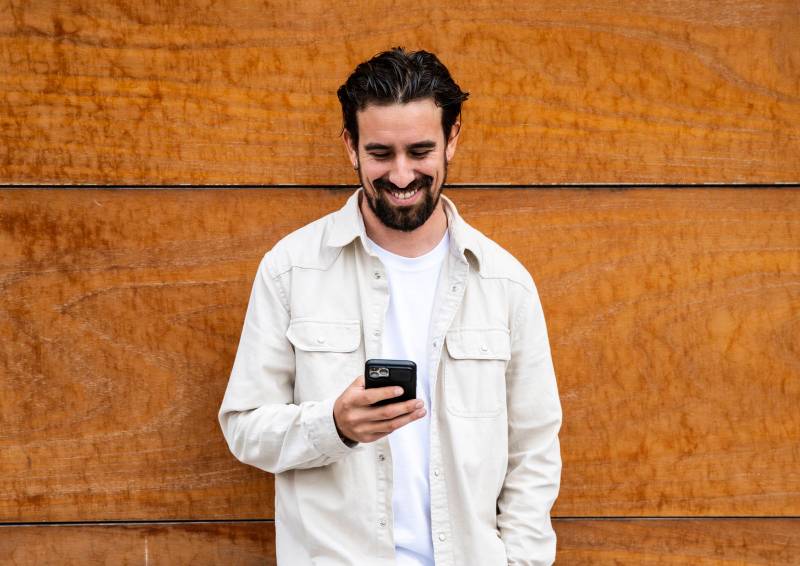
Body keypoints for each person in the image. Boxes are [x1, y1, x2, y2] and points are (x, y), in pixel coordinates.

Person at [219, 47, 562, 566]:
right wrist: (332, 426)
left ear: (453, 139)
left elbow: (533, 452)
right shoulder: (291, 269)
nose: (401, 175)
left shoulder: (503, 282)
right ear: (351, 148)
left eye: (419, 151)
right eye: (381, 153)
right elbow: (244, 426)